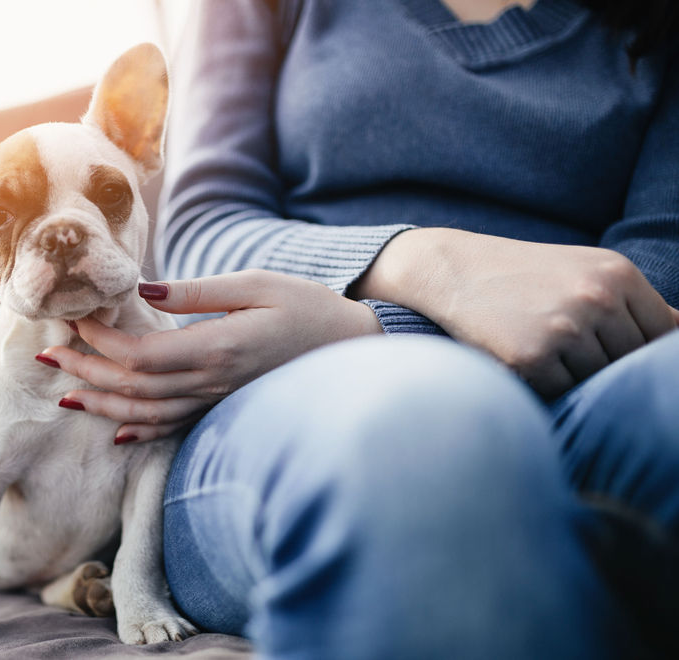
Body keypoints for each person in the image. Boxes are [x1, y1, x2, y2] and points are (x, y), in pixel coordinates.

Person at [41, 1, 679, 657]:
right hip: (294, 401)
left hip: (590, 387)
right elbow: (204, 233)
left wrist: (376, 327)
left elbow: (655, 281)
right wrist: (431, 267)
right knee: (427, 430)